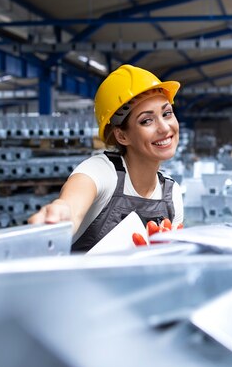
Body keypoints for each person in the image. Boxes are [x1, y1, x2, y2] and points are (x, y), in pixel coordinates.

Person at [29, 64, 184, 253]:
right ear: (122, 136)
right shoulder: (101, 171)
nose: (165, 128)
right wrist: (62, 211)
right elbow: (72, 203)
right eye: (146, 120)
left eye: (167, 113)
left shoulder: (171, 194)